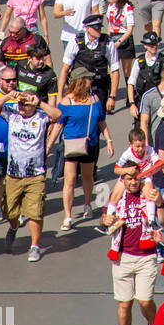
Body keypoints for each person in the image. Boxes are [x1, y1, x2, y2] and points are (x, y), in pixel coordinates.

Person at [0, 84, 61, 261]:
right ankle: (13, 227)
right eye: (21, 104)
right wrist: (9, 96)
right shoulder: (12, 114)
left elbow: (57, 115)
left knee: (35, 211)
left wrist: (39, 102)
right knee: (10, 212)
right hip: (14, 174)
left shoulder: (41, 117)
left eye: (26, 105)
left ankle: (34, 245)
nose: (22, 107)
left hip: (35, 174)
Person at [102, 162, 164, 325]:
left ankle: (154, 324)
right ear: (123, 180)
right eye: (129, 179)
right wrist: (105, 220)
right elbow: (104, 219)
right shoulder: (116, 197)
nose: (133, 182)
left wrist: (160, 202)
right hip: (122, 257)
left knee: (145, 302)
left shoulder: (150, 197)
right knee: (125, 304)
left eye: (136, 178)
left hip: (146, 257)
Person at [58, 71, 114, 230]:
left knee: (88, 177)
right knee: (70, 180)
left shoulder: (94, 99)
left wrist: (109, 140)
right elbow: (59, 124)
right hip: (72, 144)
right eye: (89, 79)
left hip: (90, 143)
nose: (92, 81)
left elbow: (101, 122)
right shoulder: (66, 101)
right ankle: (68, 216)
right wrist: (49, 146)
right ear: (81, 81)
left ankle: (87, 204)